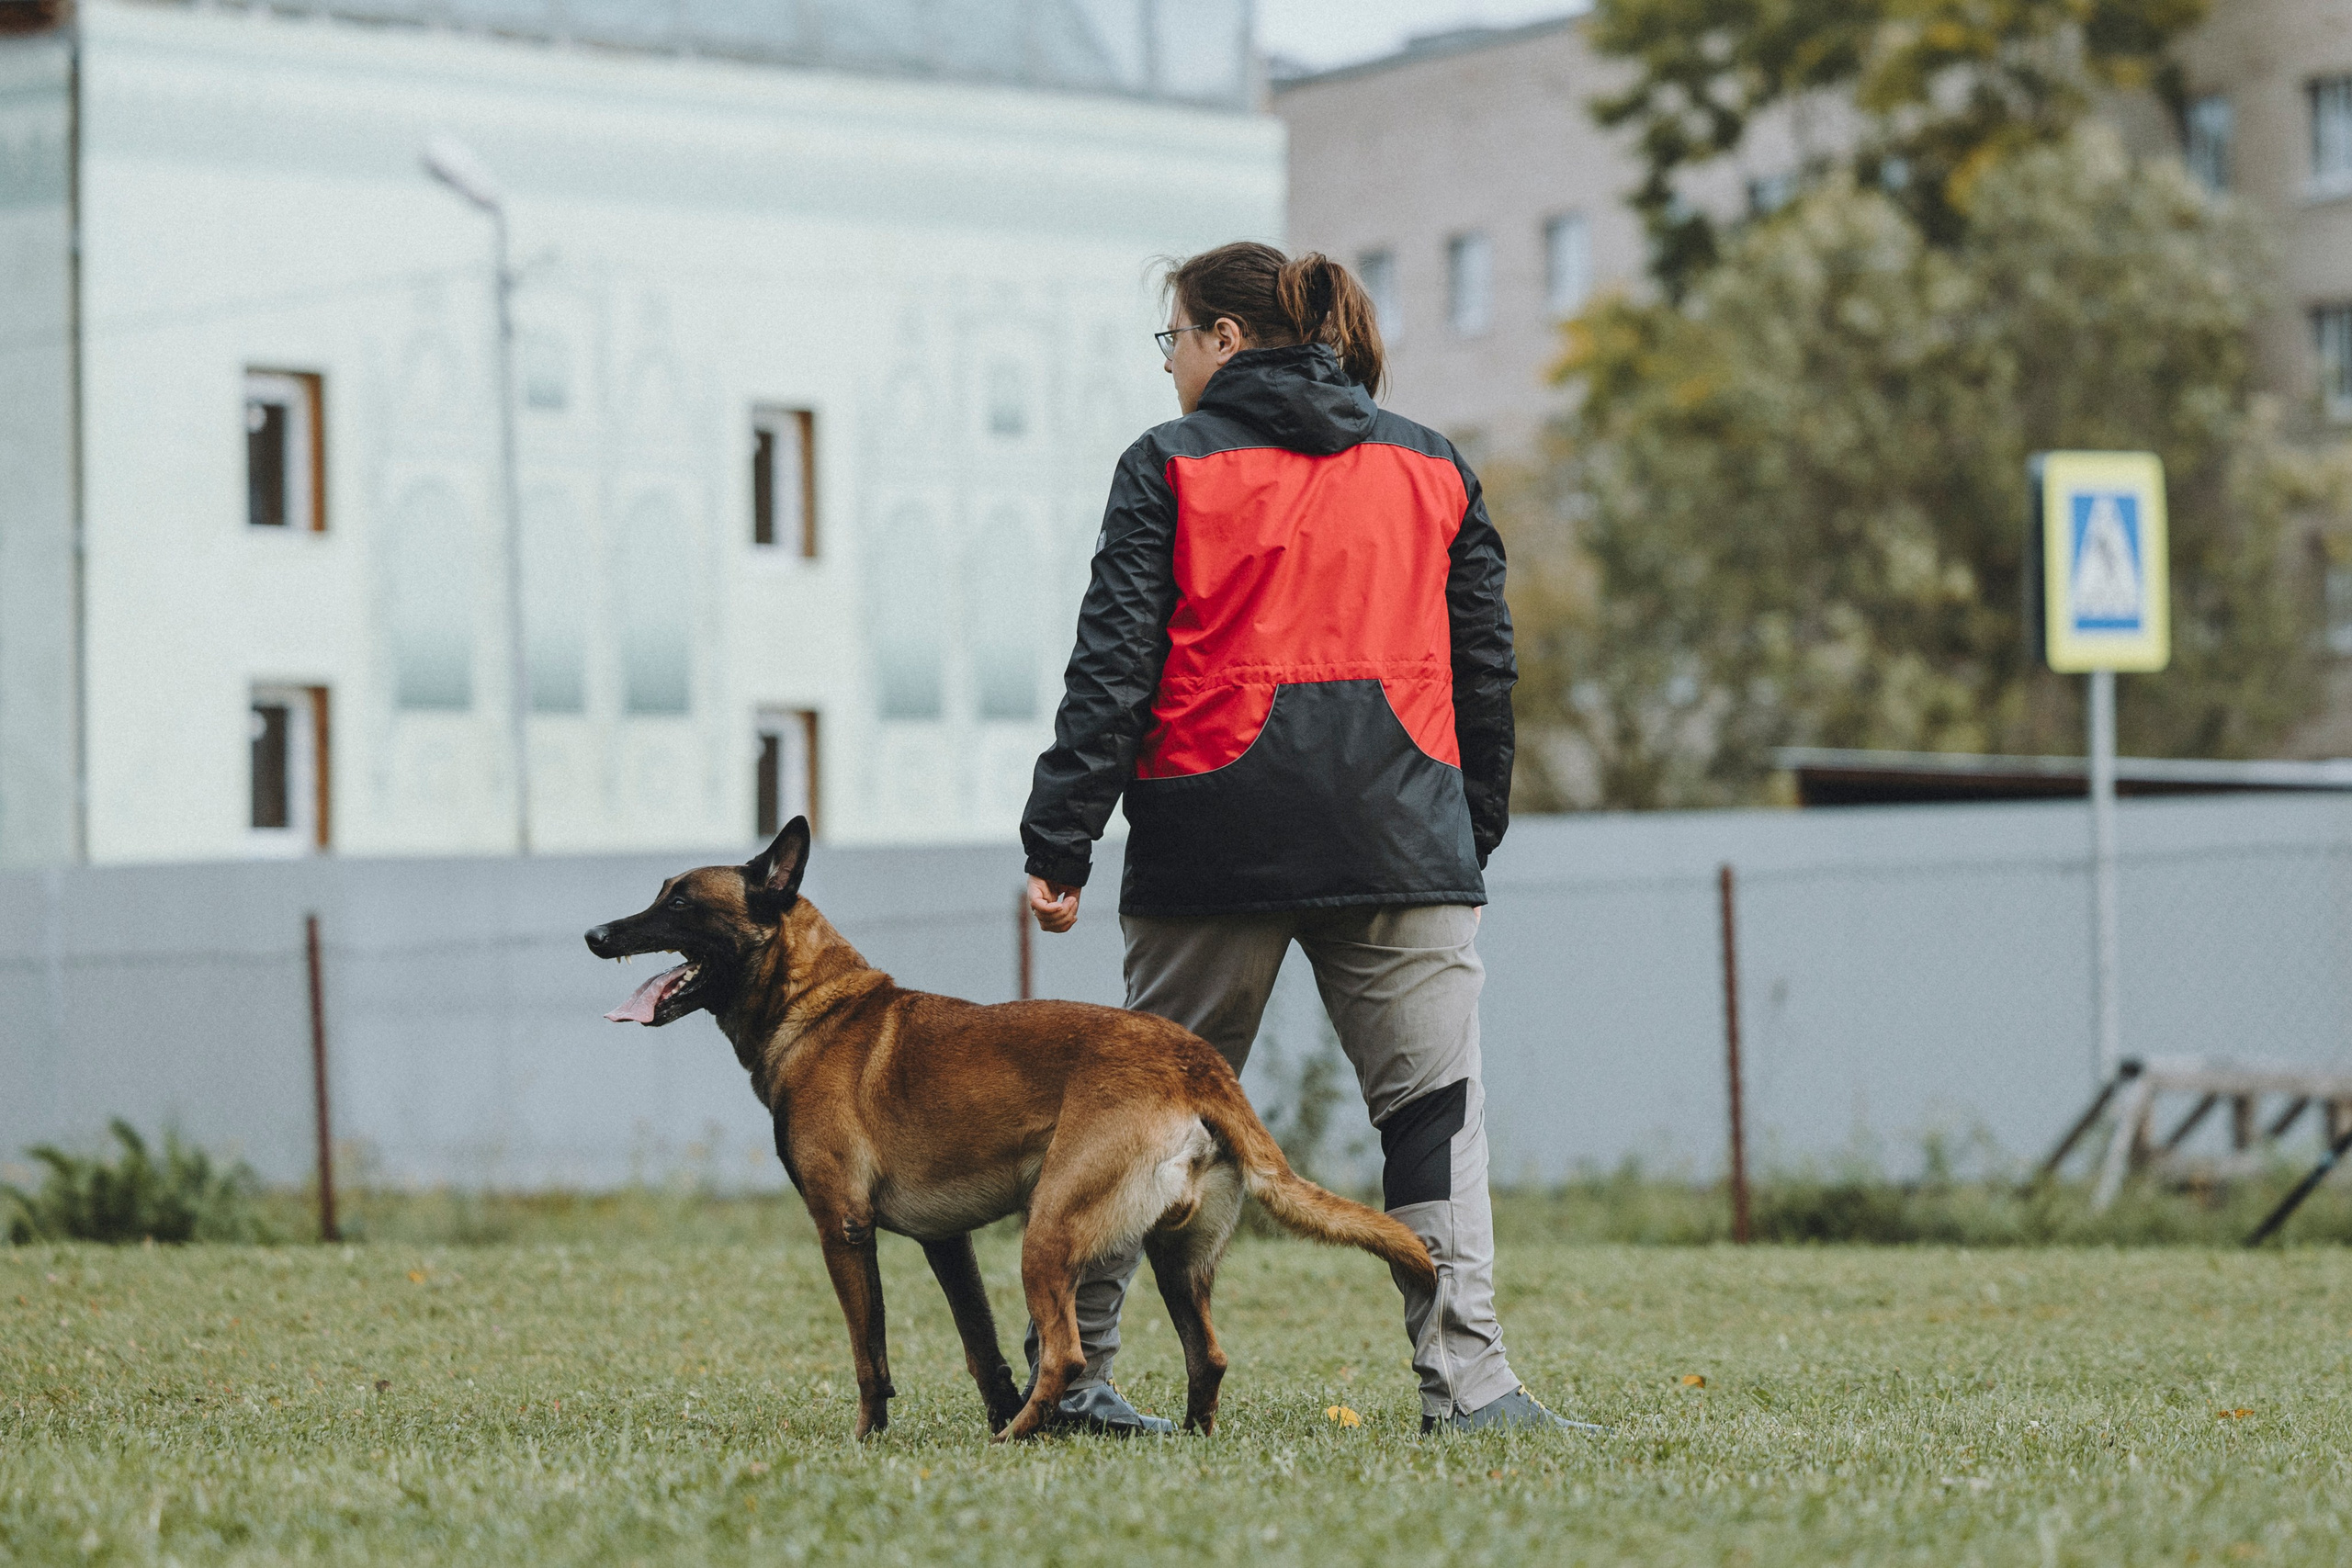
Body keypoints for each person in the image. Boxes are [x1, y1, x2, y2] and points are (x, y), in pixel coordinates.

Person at [1017, 241, 1595, 1437]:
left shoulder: (1167, 465)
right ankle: (1473, 1391)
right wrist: (1462, 837)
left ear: (1225, 340)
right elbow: (1488, 677)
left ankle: (1073, 1380)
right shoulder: (1432, 465)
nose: (1169, 363)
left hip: (1209, 837)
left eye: (1171, 338)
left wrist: (1060, 839)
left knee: (1140, 1116)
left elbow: (1113, 665)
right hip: (1404, 841)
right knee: (1434, 1117)